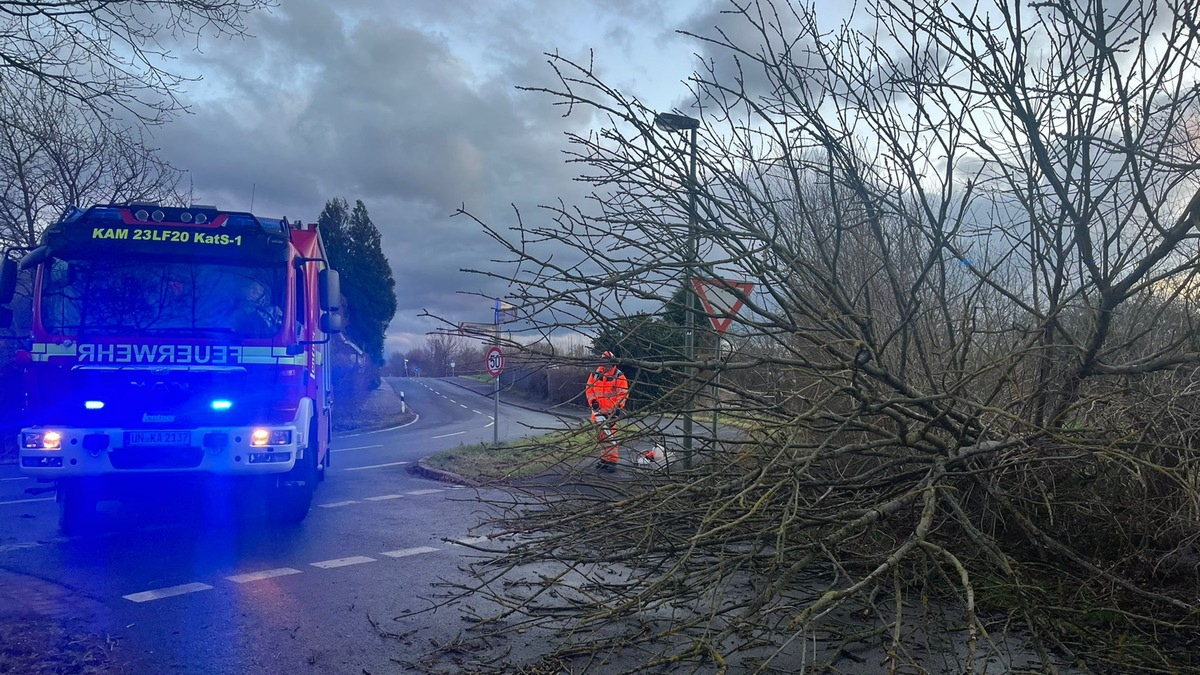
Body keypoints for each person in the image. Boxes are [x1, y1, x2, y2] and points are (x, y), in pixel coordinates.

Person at [585, 351, 629, 469]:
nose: (606, 365)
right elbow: (589, 390)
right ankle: (604, 459)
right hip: (598, 412)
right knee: (601, 437)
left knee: (610, 438)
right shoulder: (595, 374)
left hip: (611, 413)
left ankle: (612, 461)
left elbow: (623, 393)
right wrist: (593, 401)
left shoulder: (618, 376)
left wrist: (618, 408)